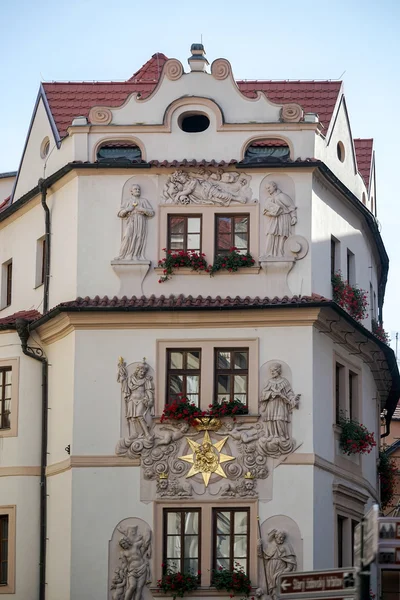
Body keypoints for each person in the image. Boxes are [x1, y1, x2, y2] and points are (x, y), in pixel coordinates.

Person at [260, 363, 300, 442]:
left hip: (281, 403)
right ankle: (271, 435)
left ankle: (282, 435)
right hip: (271, 403)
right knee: (271, 420)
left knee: (280, 419)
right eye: (271, 371)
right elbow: (263, 393)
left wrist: (293, 399)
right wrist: (271, 393)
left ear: (278, 371)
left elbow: (289, 393)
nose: (272, 373)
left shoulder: (284, 382)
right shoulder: (269, 382)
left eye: (273, 371)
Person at [117, 358, 155, 439]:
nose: (142, 373)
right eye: (141, 371)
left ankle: (147, 433)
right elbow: (125, 385)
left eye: (144, 372)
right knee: (132, 418)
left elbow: (149, 390)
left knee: (139, 415)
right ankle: (134, 433)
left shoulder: (146, 380)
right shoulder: (131, 379)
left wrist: (151, 399)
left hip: (142, 400)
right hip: (132, 399)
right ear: (137, 371)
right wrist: (122, 375)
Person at [117, 184, 154, 260]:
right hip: (131, 221)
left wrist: (143, 209)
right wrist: (127, 209)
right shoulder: (127, 201)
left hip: (140, 221)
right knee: (127, 236)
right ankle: (124, 255)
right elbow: (120, 214)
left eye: (138, 189)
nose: (137, 190)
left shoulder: (144, 201)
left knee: (139, 237)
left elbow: (151, 213)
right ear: (131, 191)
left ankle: (135, 255)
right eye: (135, 189)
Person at [258, 529, 297, 600]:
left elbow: (290, 560)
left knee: (278, 583)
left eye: (283, 537)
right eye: (280, 537)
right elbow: (262, 556)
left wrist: (288, 569)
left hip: (281, 567)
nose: (282, 539)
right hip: (270, 568)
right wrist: (259, 546)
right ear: (276, 537)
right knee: (272, 586)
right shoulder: (271, 546)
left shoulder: (286, 546)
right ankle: (273, 597)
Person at [117, 526, 152, 600]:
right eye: (122, 545)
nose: (123, 545)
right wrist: (122, 570)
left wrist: (149, 550)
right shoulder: (124, 553)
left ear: (127, 541)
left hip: (142, 568)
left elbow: (146, 543)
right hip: (132, 571)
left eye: (124, 543)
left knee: (139, 588)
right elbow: (125, 563)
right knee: (132, 586)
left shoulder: (135, 545)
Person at [263, 181, 297, 257]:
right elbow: (265, 211)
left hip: (283, 217)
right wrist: (270, 213)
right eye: (266, 189)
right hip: (273, 219)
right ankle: (269, 254)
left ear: (274, 186)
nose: (268, 190)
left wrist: (294, 216)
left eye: (269, 188)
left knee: (282, 235)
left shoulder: (282, 196)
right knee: (270, 234)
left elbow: (291, 207)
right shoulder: (269, 199)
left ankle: (280, 254)